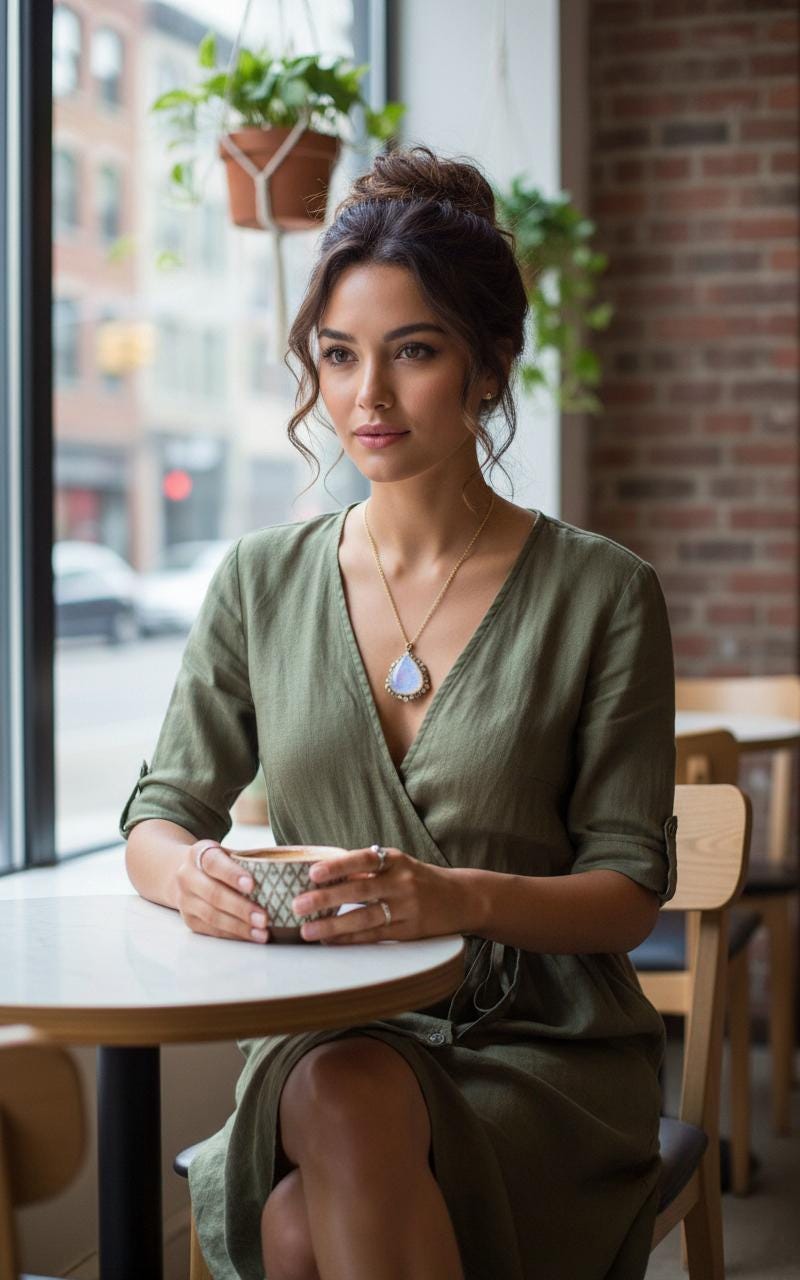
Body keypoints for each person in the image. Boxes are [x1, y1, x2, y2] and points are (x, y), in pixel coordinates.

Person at [122, 145, 677, 1280]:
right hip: (330, 1018)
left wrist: (453, 896)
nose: (363, 399)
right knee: (341, 1082)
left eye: (411, 352)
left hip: (542, 1044)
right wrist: (190, 875)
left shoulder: (601, 590)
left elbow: (625, 893)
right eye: (336, 356)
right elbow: (159, 808)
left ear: (487, 367)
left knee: (294, 1230)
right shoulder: (258, 581)